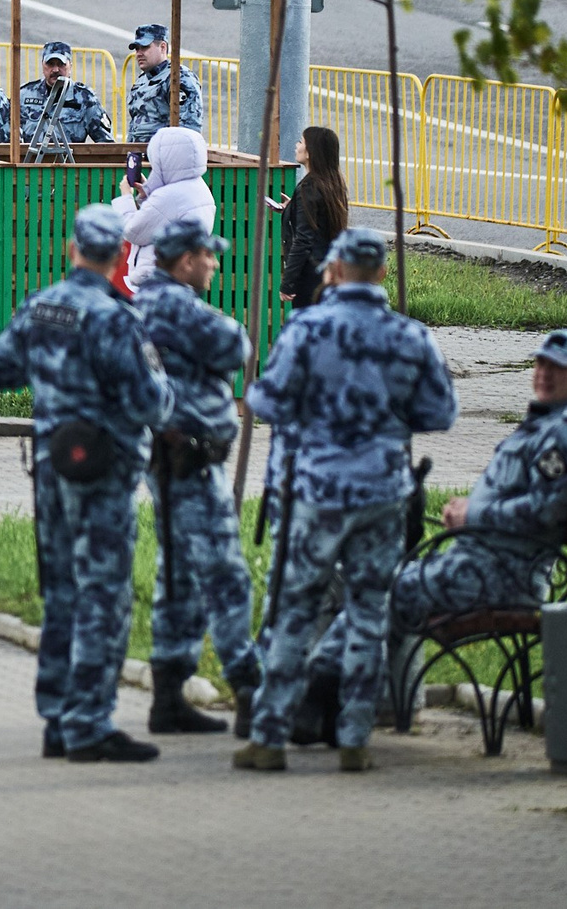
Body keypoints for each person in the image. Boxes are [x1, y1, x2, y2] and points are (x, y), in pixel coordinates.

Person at [235, 228, 457, 774]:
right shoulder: (411, 336)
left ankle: (270, 738)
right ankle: (355, 739)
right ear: (382, 273)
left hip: (319, 492)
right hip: (384, 493)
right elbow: (440, 414)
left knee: (294, 611)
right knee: (368, 615)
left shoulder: (308, 330)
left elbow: (267, 399)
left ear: (332, 271)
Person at [309, 328, 567, 720]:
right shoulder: (549, 424)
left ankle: (317, 693)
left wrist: (474, 516)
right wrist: (470, 509)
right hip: (481, 562)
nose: (544, 374)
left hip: (504, 577)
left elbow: (546, 513)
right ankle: (346, 699)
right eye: (541, 364)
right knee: (378, 582)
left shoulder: (566, 436)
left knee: (382, 589)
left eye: (558, 368)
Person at [0, 204, 175, 762]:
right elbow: (151, 403)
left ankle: (57, 718)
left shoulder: (41, 306)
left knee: (61, 591)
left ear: (72, 251)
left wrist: (51, 379)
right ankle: (89, 723)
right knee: (103, 594)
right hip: (105, 471)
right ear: (117, 256)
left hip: (51, 465)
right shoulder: (115, 318)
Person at [131, 216, 264, 737]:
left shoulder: (142, 304)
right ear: (186, 259)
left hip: (166, 462)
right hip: (188, 460)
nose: (213, 263)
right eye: (208, 255)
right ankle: (251, 690)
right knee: (225, 576)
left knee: (179, 574)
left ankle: (168, 695)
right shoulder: (175, 306)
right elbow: (236, 346)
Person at [280, 126, 350, 309]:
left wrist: (288, 281)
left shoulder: (309, 187)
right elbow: (322, 221)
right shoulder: (334, 183)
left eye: (301, 142)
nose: (297, 146)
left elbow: (304, 239)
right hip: (329, 271)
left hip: (310, 276)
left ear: (311, 152)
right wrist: (293, 207)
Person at [118, 125, 216, 255]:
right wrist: (149, 196)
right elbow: (165, 216)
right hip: (184, 266)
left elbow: (132, 231)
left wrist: (126, 197)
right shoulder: (198, 187)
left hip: (156, 269)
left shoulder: (169, 196)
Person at [18, 40, 112, 147]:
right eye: (50, 64)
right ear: (42, 65)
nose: (55, 70)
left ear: (70, 66)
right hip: (30, 161)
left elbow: (106, 144)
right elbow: (8, 136)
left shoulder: (85, 99)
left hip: (67, 161)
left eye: (61, 64)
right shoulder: (24, 95)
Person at [125, 23, 205, 137]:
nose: (139, 53)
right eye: (137, 49)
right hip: (139, 152)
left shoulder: (178, 78)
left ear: (163, 47)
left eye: (145, 47)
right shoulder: (141, 81)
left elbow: (190, 128)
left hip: (164, 151)